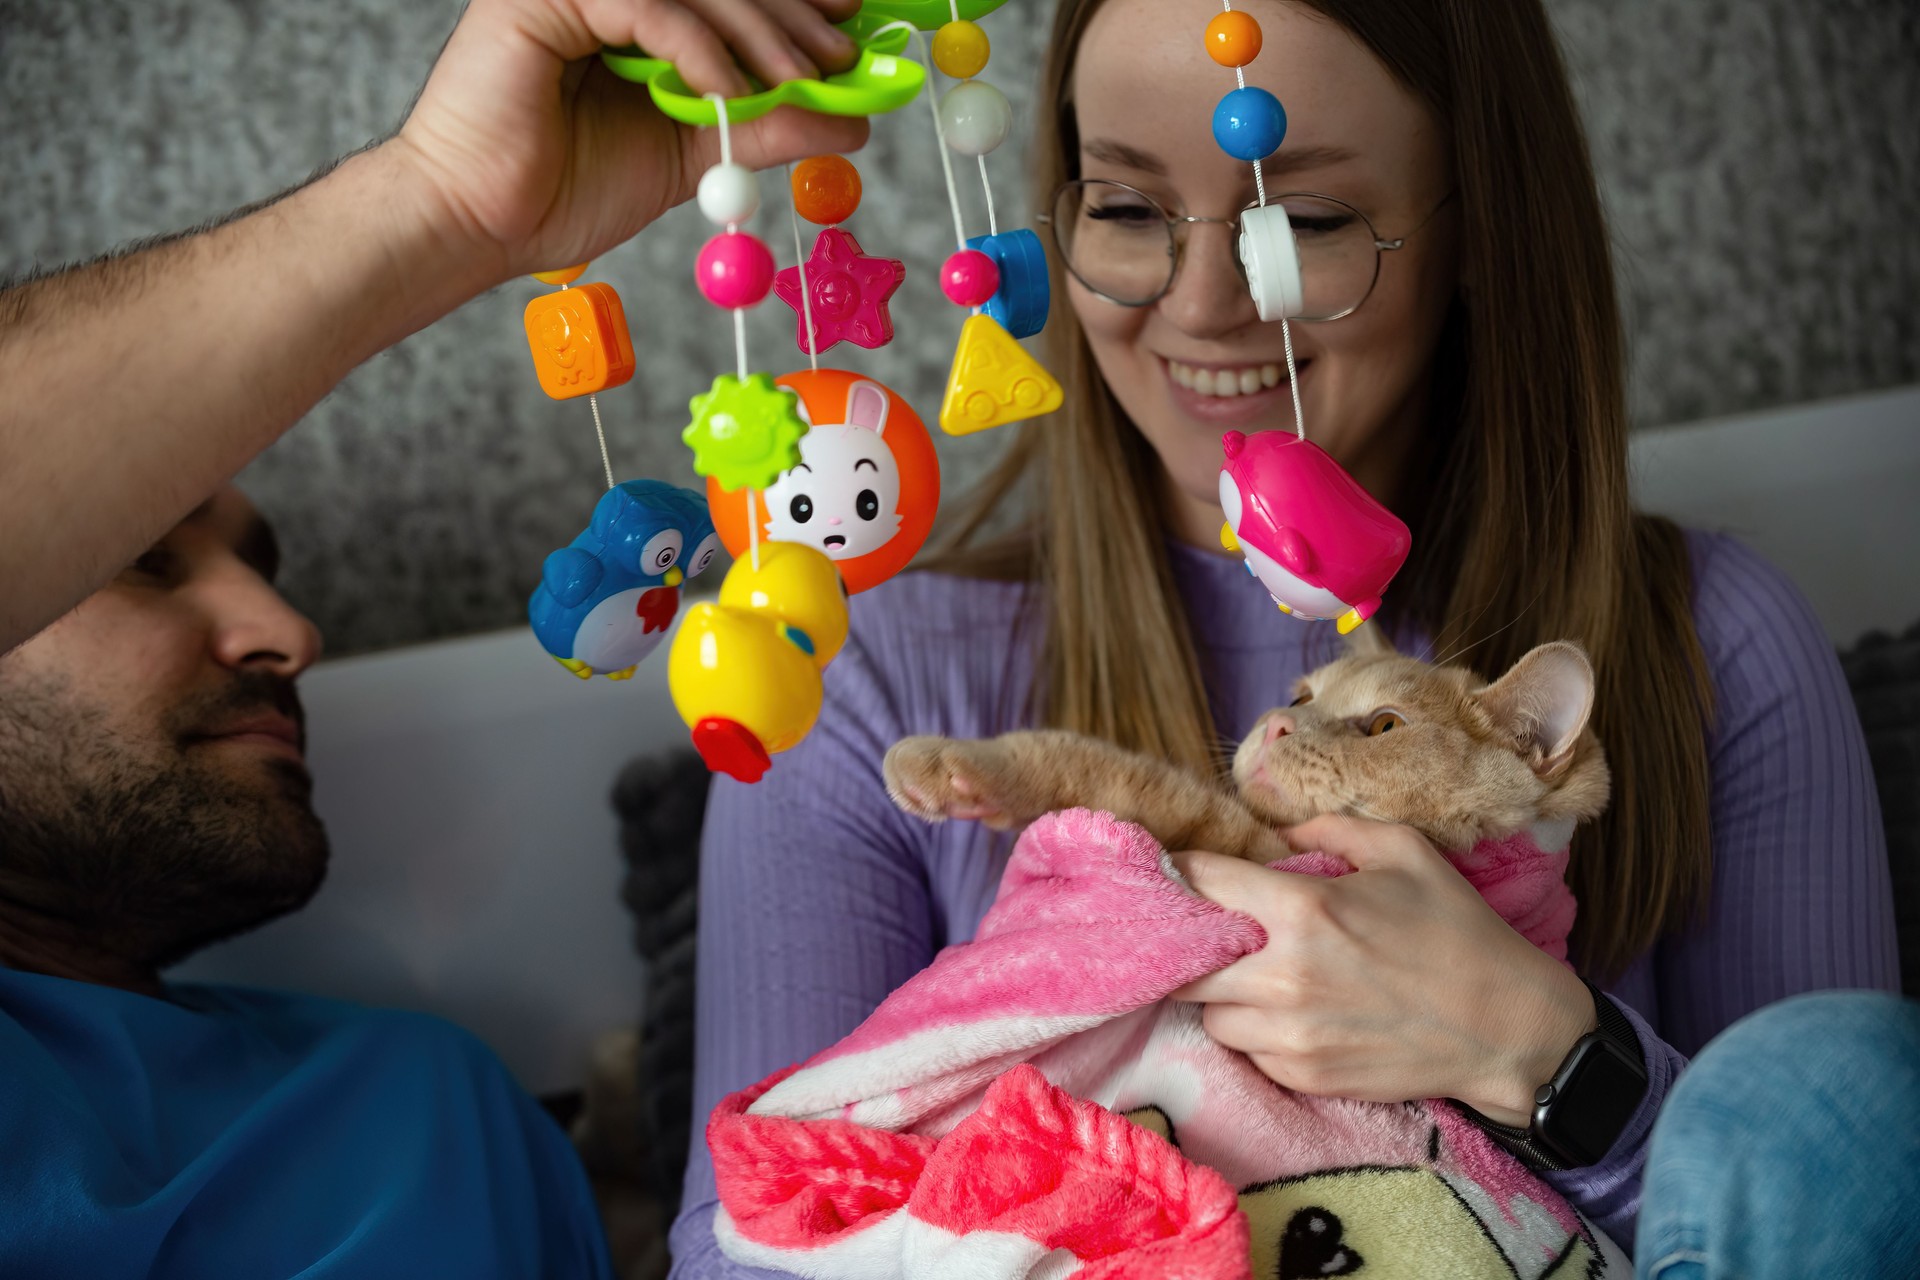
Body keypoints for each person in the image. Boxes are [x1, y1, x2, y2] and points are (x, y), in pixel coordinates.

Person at [672, 0, 1900, 1273]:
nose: (1205, 309)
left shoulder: (1711, 643)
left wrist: (1538, 1049)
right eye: (1129, 211)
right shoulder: (861, 684)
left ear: (1478, 226)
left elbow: (1862, 1201)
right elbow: (739, 1244)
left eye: (1302, 222)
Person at [0, 0, 868, 1274]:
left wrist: (472, 205)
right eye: (144, 558)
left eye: (262, 570)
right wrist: (434, 201)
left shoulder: (428, 1110)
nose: (288, 631)